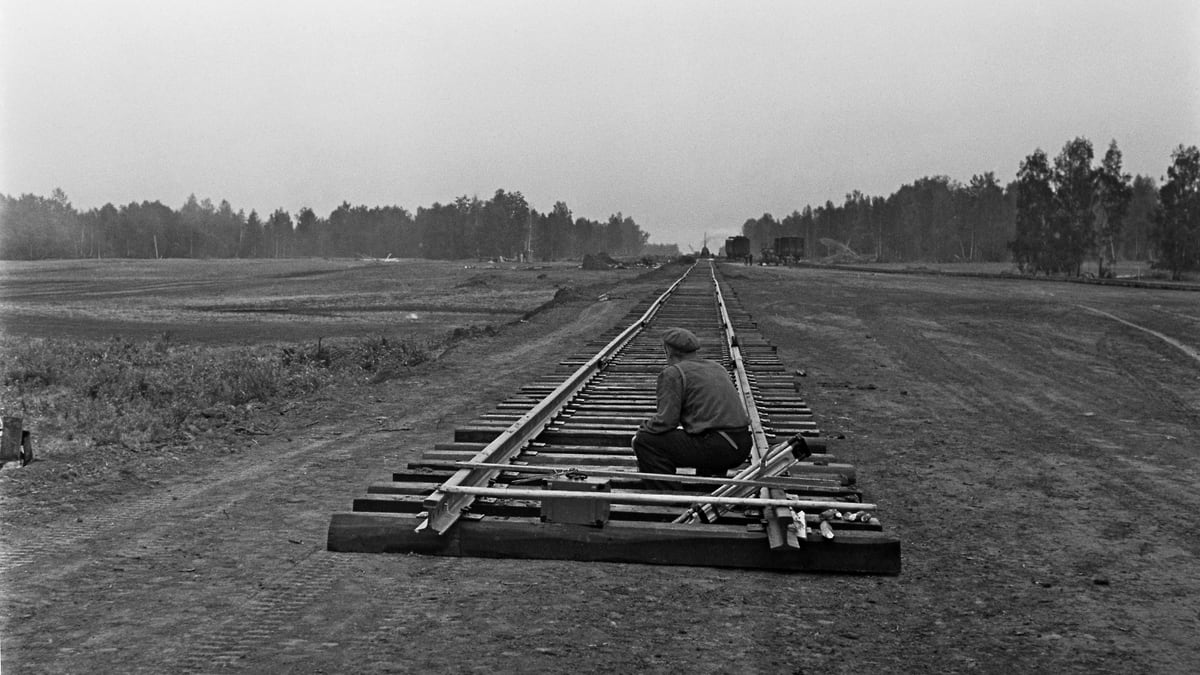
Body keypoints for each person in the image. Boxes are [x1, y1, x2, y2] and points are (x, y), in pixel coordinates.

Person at [632, 327, 752, 491]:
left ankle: (669, 496)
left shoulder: (673, 373)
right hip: (742, 445)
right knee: (700, 433)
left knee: (645, 441)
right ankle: (708, 484)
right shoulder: (717, 367)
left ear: (668, 351)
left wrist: (644, 427)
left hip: (720, 447)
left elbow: (666, 421)